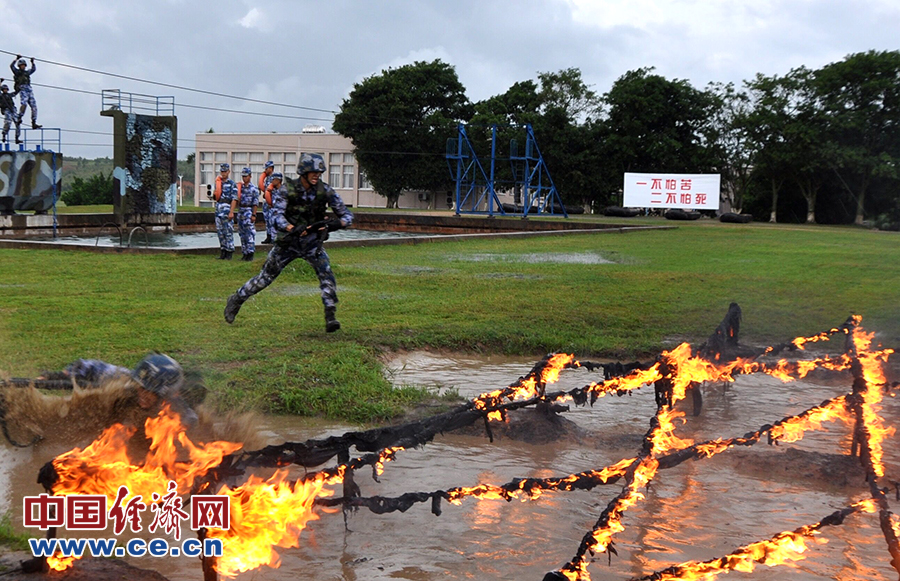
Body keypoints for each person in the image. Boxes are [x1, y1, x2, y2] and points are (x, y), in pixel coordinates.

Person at [224, 153, 353, 332]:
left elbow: (347, 214)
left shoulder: (325, 191)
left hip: (312, 244)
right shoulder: (287, 190)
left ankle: (330, 314)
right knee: (265, 278)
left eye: (319, 172)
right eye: (313, 172)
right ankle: (237, 299)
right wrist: (292, 228)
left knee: (326, 274)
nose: (317, 175)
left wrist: (338, 223)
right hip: (288, 243)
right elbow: (276, 216)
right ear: (304, 172)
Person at [232, 167, 260, 261]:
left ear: (250, 176)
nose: (244, 178)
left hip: (248, 210)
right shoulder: (240, 188)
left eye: (246, 176)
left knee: (249, 233)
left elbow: (255, 203)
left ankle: (250, 252)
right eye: (243, 176)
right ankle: (245, 252)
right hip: (241, 210)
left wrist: (254, 214)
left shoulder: (254, 189)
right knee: (242, 233)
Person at [213, 162, 237, 260]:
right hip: (218, 209)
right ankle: (223, 251)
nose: (223, 173)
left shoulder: (232, 184)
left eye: (225, 171)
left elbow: (234, 199)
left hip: (227, 209)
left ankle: (229, 252)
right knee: (220, 232)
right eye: (222, 171)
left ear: (228, 172)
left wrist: (231, 212)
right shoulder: (218, 183)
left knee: (228, 232)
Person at [10, 55, 40, 130]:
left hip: (29, 89)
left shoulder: (26, 72)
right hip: (22, 88)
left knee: (34, 107)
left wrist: (32, 62)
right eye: (21, 65)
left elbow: (33, 69)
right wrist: (16, 59)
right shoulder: (17, 72)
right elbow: (11, 66)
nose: (23, 67)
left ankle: (34, 122)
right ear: (19, 66)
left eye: (24, 65)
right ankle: (19, 117)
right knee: (24, 104)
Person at [258, 160, 277, 244]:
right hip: (266, 202)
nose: (265, 170)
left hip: (272, 202)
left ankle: (274, 237)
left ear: (271, 168)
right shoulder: (267, 178)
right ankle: (268, 236)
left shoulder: (275, 178)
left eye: (267, 168)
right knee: (267, 220)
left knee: (272, 220)